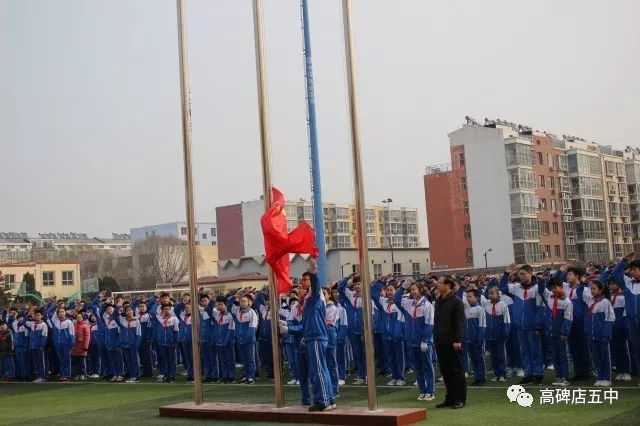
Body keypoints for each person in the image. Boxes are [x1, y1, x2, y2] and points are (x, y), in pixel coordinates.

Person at [499, 264, 543, 385]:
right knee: (524, 351)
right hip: (519, 326)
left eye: (523, 274)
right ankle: (528, 374)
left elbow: (540, 308)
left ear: (530, 274)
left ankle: (538, 374)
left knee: (534, 351)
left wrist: (538, 325)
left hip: (532, 326)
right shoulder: (516, 287)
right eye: (520, 274)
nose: (521, 276)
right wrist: (506, 274)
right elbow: (502, 287)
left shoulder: (536, 289)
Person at [300, 259, 334, 412]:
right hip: (313, 336)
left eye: (305, 279)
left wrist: (313, 273)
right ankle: (329, 399)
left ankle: (322, 401)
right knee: (323, 369)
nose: (302, 282)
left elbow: (315, 283)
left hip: (316, 336)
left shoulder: (315, 295)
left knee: (317, 370)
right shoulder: (309, 299)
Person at [394, 278, 435, 401]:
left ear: (421, 290)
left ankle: (430, 391)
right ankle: (422, 391)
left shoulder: (427, 305)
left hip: (423, 342)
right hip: (412, 341)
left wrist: (426, 340)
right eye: (410, 289)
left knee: (427, 366)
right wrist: (402, 287)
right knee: (417, 367)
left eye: (414, 289)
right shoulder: (408, 303)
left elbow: (429, 324)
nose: (412, 292)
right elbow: (396, 300)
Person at [434, 277, 466, 409]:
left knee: (456, 370)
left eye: (440, 284)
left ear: (448, 285)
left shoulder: (456, 301)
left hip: (452, 341)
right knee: (445, 370)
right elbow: (437, 321)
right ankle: (450, 397)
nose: (437, 286)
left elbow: (459, 322)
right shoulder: (439, 301)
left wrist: (457, 340)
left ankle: (460, 398)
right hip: (440, 340)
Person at [537, 276, 572, 386]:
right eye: (552, 288)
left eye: (555, 287)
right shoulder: (549, 297)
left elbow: (568, 318)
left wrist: (564, 332)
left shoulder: (567, 302)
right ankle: (558, 376)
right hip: (550, 332)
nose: (553, 290)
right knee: (555, 355)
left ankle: (565, 377)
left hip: (560, 333)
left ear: (561, 287)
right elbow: (541, 290)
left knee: (562, 355)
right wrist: (542, 280)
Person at [610, 252, 640, 381]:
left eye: (634, 269)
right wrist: (624, 261)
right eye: (631, 269)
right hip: (632, 322)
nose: (631, 272)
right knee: (637, 349)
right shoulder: (628, 283)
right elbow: (615, 274)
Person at [372, 277, 405, 387]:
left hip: (397, 335)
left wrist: (398, 333)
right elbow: (373, 293)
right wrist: (380, 281)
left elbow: (401, 319)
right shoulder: (383, 302)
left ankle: (401, 377)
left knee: (399, 356)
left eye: (392, 290)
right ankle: (394, 377)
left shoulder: (400, 303)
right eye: (388, 290)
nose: (390, 292)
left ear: (396, 291)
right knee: (390, 356)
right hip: (385, 335)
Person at [582, 280, 614, 387]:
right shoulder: (590, 300)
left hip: (602, 335)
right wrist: (582, 283)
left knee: (604, 356)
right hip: (591, 335)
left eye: (594, 288)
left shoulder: (605, 302)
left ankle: (606, 378)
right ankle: (600, 377)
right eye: (591, 288)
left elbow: (610, 318)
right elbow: (579, 292)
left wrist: (606, 334)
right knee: (596, 357)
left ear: (601, 290)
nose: (592, 291)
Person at [338, 274, 366, 385]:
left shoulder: (366, 297)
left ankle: (367, 375)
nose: (357, 286)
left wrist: (365, 330)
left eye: (359, 284)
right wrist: (347, 278)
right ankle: (362, 375)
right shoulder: (351, 295)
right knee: (357, 354)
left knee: (365, 354)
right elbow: (340, 288)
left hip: (363, 330)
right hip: (352, 330)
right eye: (355, 284)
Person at [483, 286, 510, 382]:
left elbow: (507, 320)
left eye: (492, 293)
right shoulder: (486, 304)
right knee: (493, 356)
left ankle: (502, 374)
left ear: (497, 294)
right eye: (489, 294)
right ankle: (496, 373)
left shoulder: (503, 305)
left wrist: (506, 332)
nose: (490, 295)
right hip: (490, 335)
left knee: (501, 355)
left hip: (500, 334)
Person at [463, 288, 486, 385]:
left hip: (477, 339)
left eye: (470, 297)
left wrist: (480, 338)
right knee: (473, 359)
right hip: (468, 339)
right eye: (467, 297)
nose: (468, 299)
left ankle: (482, 377)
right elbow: (465, 325)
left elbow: (482, 325)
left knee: (479, 358)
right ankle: (477, 377)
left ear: (477, 297)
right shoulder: (467, 309)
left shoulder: (480, 309)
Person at [152, 304, 180, 383]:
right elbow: (152, 312)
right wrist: (158, 303)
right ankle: (167, 375)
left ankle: (172, 376)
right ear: (162, 311)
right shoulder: (160, 319)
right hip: (162, 343)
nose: (166, 310)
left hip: (170, 343)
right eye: (164, 309)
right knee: (165, 360)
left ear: (171, 310)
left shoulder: (174, 319)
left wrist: (175, 342)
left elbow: (176, 331)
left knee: (171, 360)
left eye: (168, 309)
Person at [234, 295, 258, 384]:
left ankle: (251, 377)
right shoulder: (237, 311)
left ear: (249, 303)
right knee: (244, 359)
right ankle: (247, 375)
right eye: (241, 301)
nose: (242, 303)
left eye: (244, 301)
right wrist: (238, 337)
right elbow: (236, 326)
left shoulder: (252, 312)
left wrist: (246, 338)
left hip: (249, 340)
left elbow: (252, 327)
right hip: (239, 340)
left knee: (250, 358)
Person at [211, 296, 236, 384]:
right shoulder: (216, 315)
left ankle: (231, 376)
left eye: (221, 305)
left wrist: (226, 341)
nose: (219, 307)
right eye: (217, 305)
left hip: (227, 342)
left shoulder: (229, 315)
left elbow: (231, 329)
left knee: (229, 359)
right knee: (222, 360)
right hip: (218, 342)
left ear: (226, 306)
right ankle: (225, 376)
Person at [48, 307, 75, 382]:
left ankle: (67, 375)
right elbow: (48, 313)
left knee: (66, 360)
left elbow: (72, 333)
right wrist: (53, 306)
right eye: (59, 312)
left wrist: (72, 344)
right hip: (57, 344)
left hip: (66, 344)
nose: (61, 313)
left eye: (63, 312)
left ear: (65, 313)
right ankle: (63, 374)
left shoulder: (69, 322)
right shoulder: (55, 321)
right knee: (61, 360)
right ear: (57, 314)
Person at [118, 305, 142, 383]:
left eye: (130, 310)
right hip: (125, 344)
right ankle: (132, 376)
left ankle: (136, 376)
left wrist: (137, 344)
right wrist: (118, 306)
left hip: (133, 344)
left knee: (134, 360)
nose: (129, 312)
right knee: (128, 361)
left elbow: (138, 333)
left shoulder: (136, 321)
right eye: (127, 310)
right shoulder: (122, 320)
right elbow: (115, 315)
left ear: (133, 311)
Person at [70, 312, 90, 381]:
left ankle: (83, 374)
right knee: (77, 361)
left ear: (82, 318)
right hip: (75, 346)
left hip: (82, 346)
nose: (78, 318)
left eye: (80, 317)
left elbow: (87, 337)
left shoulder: (85, 325)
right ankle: (77, 374)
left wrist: (85, 346)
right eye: (77, 317)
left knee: (82, 362)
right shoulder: (74, 325)